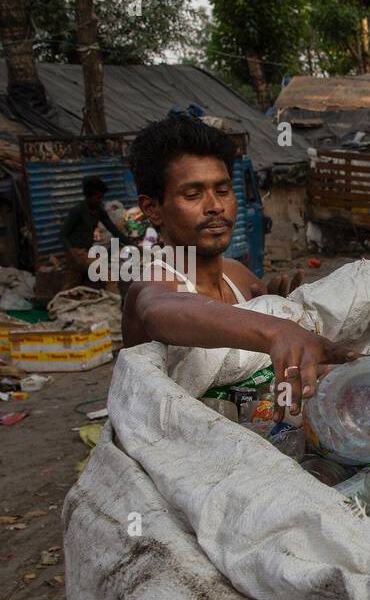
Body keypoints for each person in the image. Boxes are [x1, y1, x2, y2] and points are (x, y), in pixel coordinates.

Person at [123, 114, 353, 412]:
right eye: (193, 194)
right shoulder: (149, 287)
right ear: (152, 209)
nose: (215, 206)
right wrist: (276, 329)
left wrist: (283, 310)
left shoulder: (239, 277)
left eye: (222, 190)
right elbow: (159, 311)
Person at [60, 176, 132, 289]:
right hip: (76, 252)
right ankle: (115, 304)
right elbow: (63, 235)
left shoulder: (99, 211)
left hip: (86, 252)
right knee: (109, 277)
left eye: (101, 197)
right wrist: (72, 253)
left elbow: (114, 231)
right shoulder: (78, 211)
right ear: (89, 196)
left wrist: (133, 245)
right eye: (98, 197)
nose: (100, 200)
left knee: (71, 286)